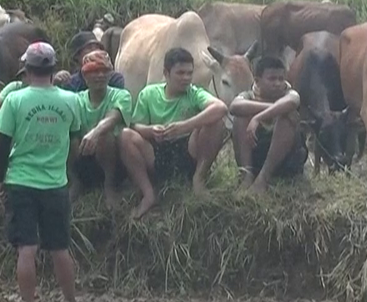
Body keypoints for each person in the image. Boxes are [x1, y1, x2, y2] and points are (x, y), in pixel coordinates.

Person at [0, 42, 81, 302]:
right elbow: (74, 142)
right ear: (53, 69)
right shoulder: (70, 100)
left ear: (26, 70)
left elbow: (2, 145)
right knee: (60, 247)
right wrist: (65, 171)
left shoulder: (15, 100)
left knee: (27, 248)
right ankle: (71, 300)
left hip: (21, 182)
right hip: (55, 184)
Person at [118, 47, 229, 218]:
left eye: (189, 73)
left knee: (215, 122)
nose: (186, 78)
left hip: (188, 150)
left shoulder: (194, 93)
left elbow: (220, 108)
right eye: (180, 73)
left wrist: (185, 126)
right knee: (125, 135)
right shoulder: (149, 93)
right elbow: (135, 126)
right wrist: (151, 131)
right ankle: (148, 193)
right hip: (156, 151)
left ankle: (198, 178)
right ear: (166, 73)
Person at [228, 55, 305, 194]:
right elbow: (235, 106)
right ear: (257, 81)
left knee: (288, 118)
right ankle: (247, 176)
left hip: (285, 162)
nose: (277, 83)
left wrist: (257, 117)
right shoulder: (248, 95)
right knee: (240, 118)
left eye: (281, 79)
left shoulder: (289, 93)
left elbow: (293, 101)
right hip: (255, 155)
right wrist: (271, 108)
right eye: (272, 79)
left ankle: (262, 180)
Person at [72, 50, 133, 204]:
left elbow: (113, 117)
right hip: (83, 155)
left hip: (112, 159)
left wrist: (95, 133)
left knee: (105, 134)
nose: (100, 75)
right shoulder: (75, 100)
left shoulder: (121, 95)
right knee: (68, 135)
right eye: (94, 71)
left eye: (104, 71)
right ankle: (75, 181)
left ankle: (109, 185)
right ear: (85, 76)